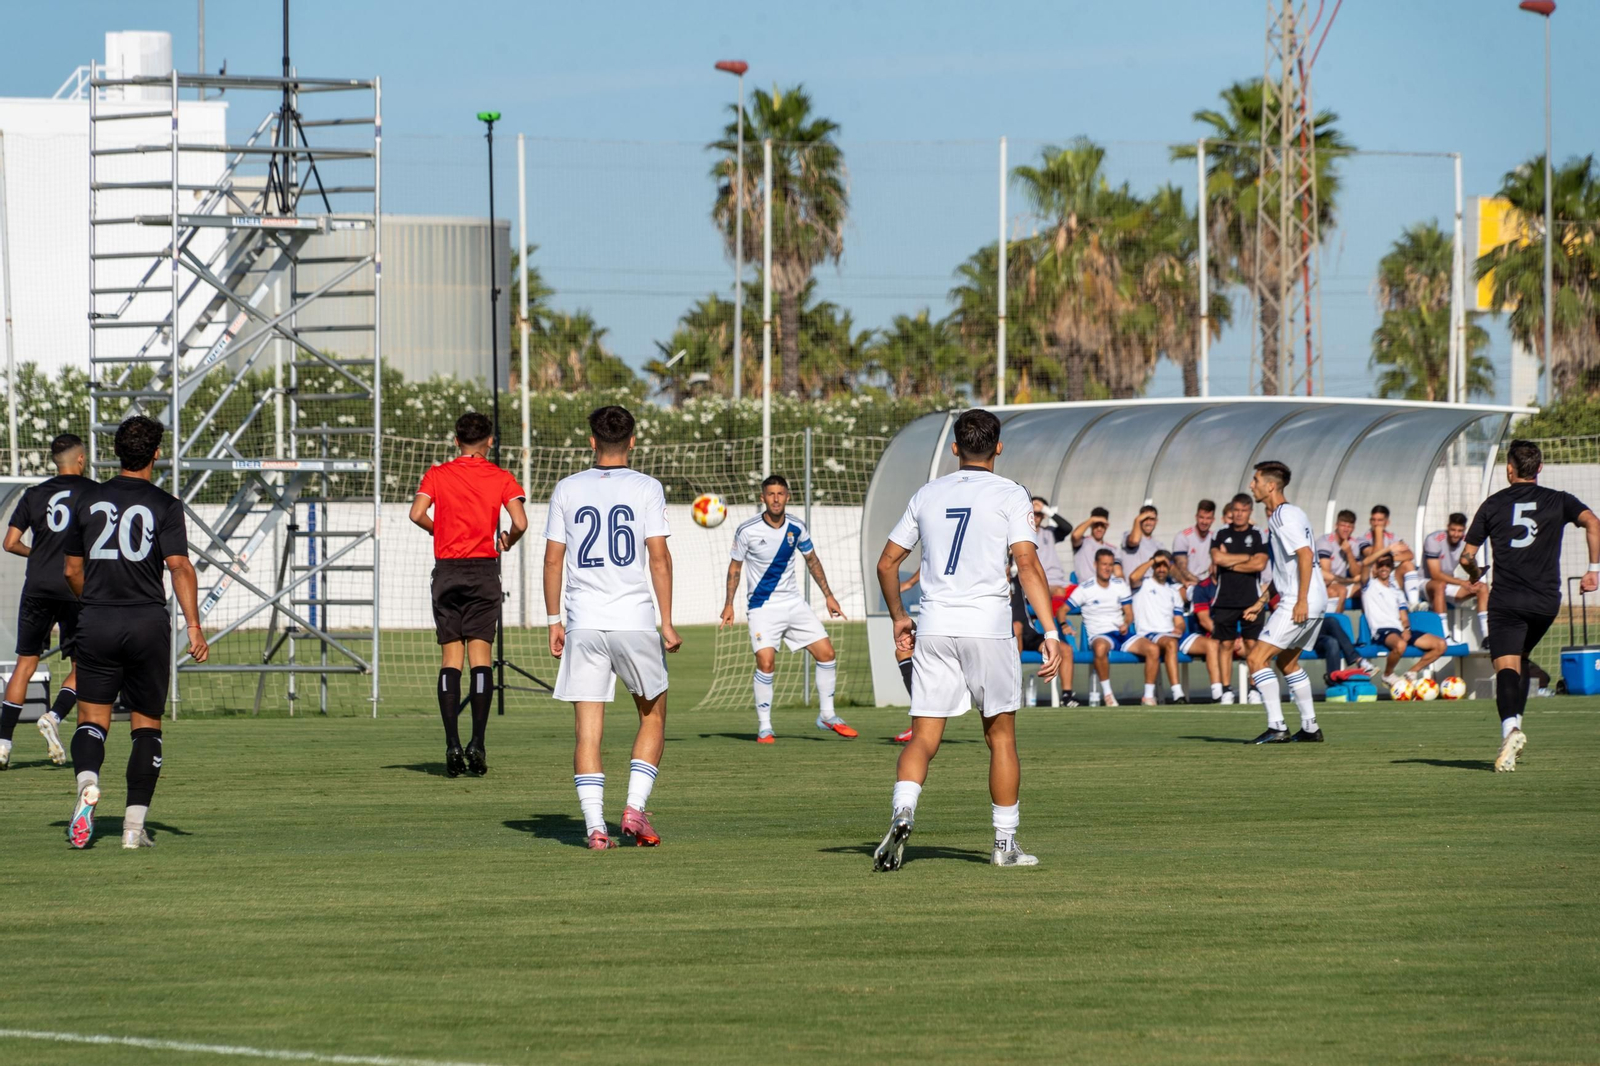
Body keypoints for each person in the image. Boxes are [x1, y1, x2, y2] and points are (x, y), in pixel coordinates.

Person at [872, 408, 1062, 871]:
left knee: (923, 737)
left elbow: (886, 563)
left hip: (935, 626)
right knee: (1000, 739)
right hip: (988, 628)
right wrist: (1050, 631)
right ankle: (1004, 846)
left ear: (955, 448)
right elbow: (1028, 564)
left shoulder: (928, 493)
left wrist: (899, 616)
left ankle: (904, 811)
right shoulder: (1012, 494)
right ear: (998, 447)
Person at [61, 416, 209, 849]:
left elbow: (72, 569)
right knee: (147, 725)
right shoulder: (165, 504)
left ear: (115, 452)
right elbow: (179, 566)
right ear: (157, 454)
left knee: (92, 720)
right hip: (146, 622)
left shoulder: (86, 501)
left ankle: (88, 783)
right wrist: (194, 626)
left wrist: (96, 601)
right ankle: (132, 829)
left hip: (97, 620)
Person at [545, 405, 681, 848]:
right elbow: (658, 556)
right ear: (633, 441)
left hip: (584, 624)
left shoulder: (567, 488)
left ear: (591, 442)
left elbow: (552, 559)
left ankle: (594, 828)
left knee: (588, 731)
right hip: (634, 621)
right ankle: (634, 810)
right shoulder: (646, 487)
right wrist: (667, 621)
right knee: (653, 715)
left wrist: (554, 621)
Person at [1459, 439, 1600, 772]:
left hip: (1507, 601)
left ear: (1509, 469)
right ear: (1539, 469)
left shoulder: (1492, 505)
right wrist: (1594, 572)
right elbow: (1594, 523)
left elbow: (1466, 555)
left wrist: (1475, 572)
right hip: (1546, 602)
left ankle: (1510, 730)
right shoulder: (1560, 500)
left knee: (1506, 667)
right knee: (1520, 659)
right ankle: (1515, 730)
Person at [410, 412, 529, 778]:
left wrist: (439, 530)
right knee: (481, 657)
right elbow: (521, 522)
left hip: (447, 571)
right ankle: (477, 742)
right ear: (490, 441)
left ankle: (451, 743)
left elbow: (416, 514)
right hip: (483, 571)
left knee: (450, 659)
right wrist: (507, 539)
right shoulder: (501, 477)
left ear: (455, 439)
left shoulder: (437, 474)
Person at [719, 474, 853, 743]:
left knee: (827, 653)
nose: (776, 499)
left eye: (781, 494)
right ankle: (765, 727)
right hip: (762, 607)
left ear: (788, 497)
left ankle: (827, 715)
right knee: (766, 662)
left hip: (793, 603)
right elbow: (735, 568)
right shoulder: (747, 530)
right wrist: (729, 604)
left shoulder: (797, 527)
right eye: (771, 494)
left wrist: (829, 596)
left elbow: (812, 560)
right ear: (762, 498)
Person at [0, 434, 94, 770]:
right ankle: (54, 716)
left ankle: (3, 744)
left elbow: (10, 543)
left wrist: (38, 553)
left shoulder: (34, 494)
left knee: (25, 663)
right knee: (83, 664)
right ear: (80, 459)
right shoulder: (93, 493)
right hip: (76, 586)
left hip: (37, 586)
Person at [1239, 461, 1327, 745]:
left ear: (1270, 485)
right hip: (1316, 599)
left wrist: (1299, 601)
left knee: (1256, 658)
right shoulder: (1293, 513)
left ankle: (1277, 727)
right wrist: (1262, 600)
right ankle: (1311, 728)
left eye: (1255, 480)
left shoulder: (1280, 515)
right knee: (1288, 662)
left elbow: (1304, 555)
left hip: (1300, 601)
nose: (1251, 485)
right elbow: (1286, 568)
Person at [1208, 494, 1268, 703]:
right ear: (1231, 511)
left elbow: (1260, 564)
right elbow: (1217, 558)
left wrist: (1230, 562)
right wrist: (1246, 558)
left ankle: (1255, 689)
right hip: (1225, 599)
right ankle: (1226, 690)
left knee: (1252, 645)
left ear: (1250, 511)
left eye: (1244, 510)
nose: (1239, 514)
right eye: (1236, 510)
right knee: (1225, 645)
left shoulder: (1258, 533)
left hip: (1251, 599)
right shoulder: (1221, 533)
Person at [1362, 557, 1448, 685]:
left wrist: (1406, 629)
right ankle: (1388, 674)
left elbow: (1403, 615)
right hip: (1381, 630)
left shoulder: (1396, 590)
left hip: (1399, 629)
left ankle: (1412, 672)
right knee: (1401, 645)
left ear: (1391, 567)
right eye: (1381, 565)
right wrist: (1389, 548)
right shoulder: (1369, 585)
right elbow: (1364, 563)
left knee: (1441, 645)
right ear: (1376, 568)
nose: (1384, 568)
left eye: (1387, 565)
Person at [1066, 548, 1133, 708]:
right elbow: (1062, 610)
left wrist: (1127, 623)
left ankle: (1150, 697)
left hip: (1121, 634)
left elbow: (1129, 613)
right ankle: (1108, 694)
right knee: (1101, 647)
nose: (1107, 568)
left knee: (1152, 649)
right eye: (1104, 564)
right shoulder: (1085, 588)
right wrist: (1064, 625)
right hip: (1100, 634)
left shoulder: (1119, 584)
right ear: (1096, 565)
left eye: (1110, 564)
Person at [1125, 551, 1191, 705]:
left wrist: (1180, 628)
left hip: (1169, 634)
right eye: (1158, 565)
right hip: (1148, 634)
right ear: (1153, 566)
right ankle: (1177, 694)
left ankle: (1221, 693)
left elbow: (1179, 620)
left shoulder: (1173, 591)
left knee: (1212, 645)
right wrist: (1152, 560)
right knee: (1170, 643)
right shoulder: (1143, 584)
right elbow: (1133, 577)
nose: (1161, 569)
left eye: (1164, 565)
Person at [1422, 513, 1490, 629]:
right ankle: (1444, 635)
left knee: (1482, 587)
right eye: (1453, 530)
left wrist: (1474, 580)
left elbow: (1471, 566)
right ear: (1448, 527)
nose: (1456, 534)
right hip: (1425, 583)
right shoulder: (1433, 540)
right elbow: (1435, 574)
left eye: (1460, 531)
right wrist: (1462, 582)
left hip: (1447, 584)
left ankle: (1486, 635)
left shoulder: (1466, 542)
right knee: (1440, 585)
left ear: (1464, 530)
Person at [1356, 505, 1419, 603]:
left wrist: (1390, 558)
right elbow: (1376, 555)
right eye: (1373, 520)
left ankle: (1414, 603)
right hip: (1373, 578)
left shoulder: (1392, 537)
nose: (1376, 523)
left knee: (1408, 564)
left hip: (1390, 574)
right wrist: (1378, 534)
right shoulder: (1363, 538)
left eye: (1380, 520)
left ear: (1387, 522)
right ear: (1370, 521)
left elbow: (1410, 554)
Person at [1028, 497, 1073, 622]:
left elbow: (1067, 528)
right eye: (1033, 513)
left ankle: (1053, 626)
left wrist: (1045, 509)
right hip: (1033, 581)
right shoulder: (1021, 533)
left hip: (1054, 581)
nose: (1035, 517)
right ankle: (1054, 627)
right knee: (1057, 591)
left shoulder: (1049, 533)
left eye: (1039, 514)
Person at [1315, 509, 1364, 606]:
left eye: (1349, 526)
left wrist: (1349, 553)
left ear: (1353, 528)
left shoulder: (1353, 544)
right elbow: (1327, 575)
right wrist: (1351, 580)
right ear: (1336, 525)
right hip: (1324, 582)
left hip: (1341, 582)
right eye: (1343, 525)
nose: (1346, 529)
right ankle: (1337, 619)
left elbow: (1356, 573)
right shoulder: (1325, 541)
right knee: (1341, 591)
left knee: (1367, 589)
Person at [1169, 500, 1217, 586]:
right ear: (1196, 517)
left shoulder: (1214, 538)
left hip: (1204, 584)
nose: (1204, 522)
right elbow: (1182, 569)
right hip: (1183, 583)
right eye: (1201, 517)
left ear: (1213, 520)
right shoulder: (1183, 537)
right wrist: (1201, 584)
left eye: (1208, 518)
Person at [1071, 507, 1115, 582]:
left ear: (1106, 526)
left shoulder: (1112, 549)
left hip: (1105, 589)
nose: (1099, 528)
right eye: (1096, 524)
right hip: (1084, 588)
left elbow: (1117, 572)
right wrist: (1092, 520)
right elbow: (1075, 535)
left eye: (1102, 525)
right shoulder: (1083, 542)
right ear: (1091, 525)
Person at [1119, 504, 1164, 576]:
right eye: (1145, 519)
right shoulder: (1128, 535)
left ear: (1156, 521)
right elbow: (1134, 541)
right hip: (1130, 586)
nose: (1148, 523)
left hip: (1149, 586)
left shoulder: (1158, 545)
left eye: (1152, 519)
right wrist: (1137, 520)